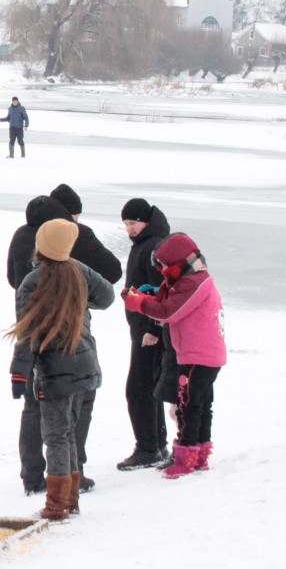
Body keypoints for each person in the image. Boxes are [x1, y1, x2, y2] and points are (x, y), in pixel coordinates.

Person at [6, 190, 121, 495]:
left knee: (37, 412)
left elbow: (12, 282)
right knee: (70, 419)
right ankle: (72, 480)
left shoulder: (23, 245)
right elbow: (110, 284)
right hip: (76, 346)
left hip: (39, 348)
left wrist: (19, 370)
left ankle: (34, 478)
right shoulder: (75, 261)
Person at [123, 233, 225, 478]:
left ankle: (185, 458)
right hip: (205, 354)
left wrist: (137, 303)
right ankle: (199, 455)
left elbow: (169, 312)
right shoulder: (194, 278)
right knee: (200, 405)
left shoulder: (193, 283)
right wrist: (147, 296)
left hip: (195, 357)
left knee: (186, 407)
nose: (163, 271)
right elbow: (170, 302)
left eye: (166, 266)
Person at [116, 198, 172, 471]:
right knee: (148, 388)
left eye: (133, 223)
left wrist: (151, 329)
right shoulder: (147, 243)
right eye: (126, 224)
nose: (129, 228)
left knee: (138, 390)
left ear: (146, 221)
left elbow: (158, 290)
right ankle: (157, 445)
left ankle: (149, 448)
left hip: (149, 331)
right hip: (144, 328)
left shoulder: (152, 246)